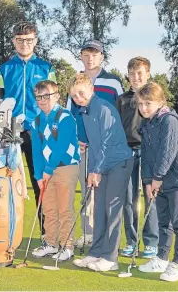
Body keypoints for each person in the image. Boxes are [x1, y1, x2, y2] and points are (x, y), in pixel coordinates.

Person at [0, 21, 57, 238]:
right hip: (12, 132)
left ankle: (48, 236)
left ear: (35, 41)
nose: (24, 44)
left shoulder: (46, 68)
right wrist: (6, 114)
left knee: (41, 183)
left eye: (29, 40)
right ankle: (8, 232)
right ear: (14, 41)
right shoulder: (4, 68)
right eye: (20, 40)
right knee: (9, 184)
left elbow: (53, 100)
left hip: (38, 133)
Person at [68, 73, 133, 272]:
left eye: (81, 93)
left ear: (91, 89)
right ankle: (96, 252)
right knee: (98, 210)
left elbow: (105, 144)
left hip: (118, 163)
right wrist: (91, 172)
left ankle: (110, 258)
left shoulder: (104, 108)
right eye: (74, 96)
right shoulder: (85, 112)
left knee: (112, 210)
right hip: (102, 165)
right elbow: (93, 146)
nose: (78, 97)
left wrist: (96, 170)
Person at [66, 40, 124, 248]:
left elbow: (121, 114)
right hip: (84, 148)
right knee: (87, 194)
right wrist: (74, 139)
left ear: (101, 56)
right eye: (86, 54)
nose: (90, 58)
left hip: (108, 149)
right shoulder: (73, 82)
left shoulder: (113, 82)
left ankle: (107, 237)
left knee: (109, 195)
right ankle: (89, 234)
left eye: (95, 54)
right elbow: (68, 117)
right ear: (81, 56)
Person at [136, 82, 178, 282]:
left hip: (176, 180)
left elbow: (167, 152)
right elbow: (147, 154)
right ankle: (161, 258)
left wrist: (157, 178)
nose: (143, 108)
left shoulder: (170, 120)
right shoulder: (146, 124)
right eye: (141, 104)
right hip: (157, 181)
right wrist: (148, 180)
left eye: (148, 103)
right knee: (163, 223)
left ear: (161, 102)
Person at [30, 80, 80, 261]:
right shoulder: (36, 121)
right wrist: (38, 175)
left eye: (46, 96)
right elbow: (36, 151)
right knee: (48, 208)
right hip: (46, 171)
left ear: (57, 96)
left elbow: (61, 146)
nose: (42, 100)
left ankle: (67, 246)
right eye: (38, 97)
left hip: (65, 167)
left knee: (64, 209)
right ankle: (51, 243)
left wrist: (48, 169)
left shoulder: (66, 117)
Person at [116, 57, 158, 259]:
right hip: (127, 152)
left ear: (148, 74)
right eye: (132, 74)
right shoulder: (123, 99)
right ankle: (131, 241)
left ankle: (151, 242)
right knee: (129, 200)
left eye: (140, 73)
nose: (135, 77)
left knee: (150, 197)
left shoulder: (155, 99)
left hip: (149, 152)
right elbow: (116, 129)